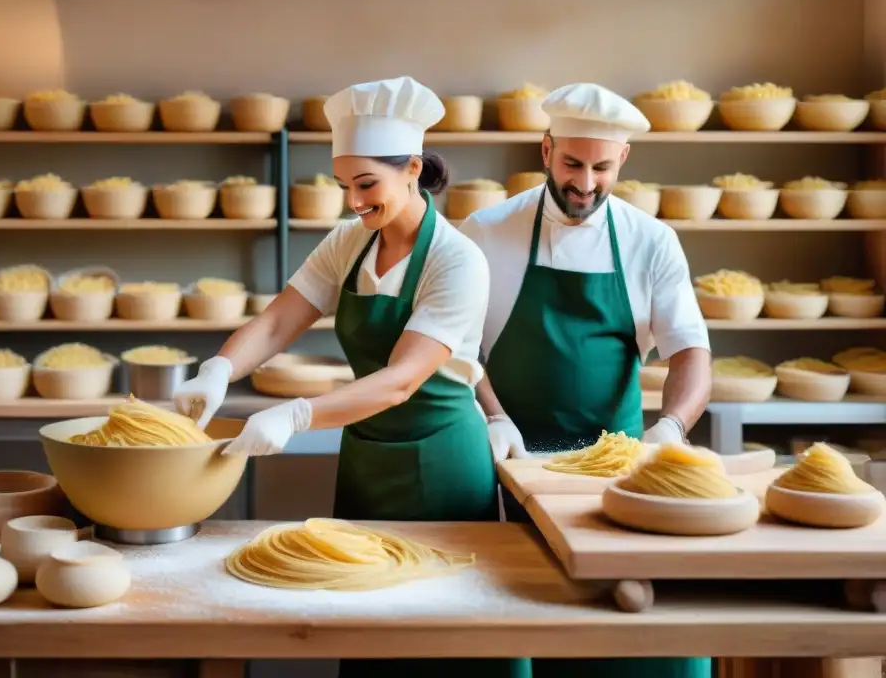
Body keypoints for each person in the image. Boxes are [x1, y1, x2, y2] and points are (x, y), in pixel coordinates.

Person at [174, 75, 530, 678]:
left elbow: (401, 380)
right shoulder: (350, 242)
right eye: (344, 186)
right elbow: (279, 321)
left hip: (440, 464)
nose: (353, 201)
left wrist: (297, 414)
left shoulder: (455, 259)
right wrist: (219, 368)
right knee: (369, 634)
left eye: (367, 185)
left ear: (413, 167)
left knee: (443, 640)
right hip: (367, 458)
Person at [459, 82, 712, 678]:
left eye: (602, 167)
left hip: (618, 485)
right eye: (572, 163)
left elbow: (692, 353)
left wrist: (670, 429)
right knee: (522, 634)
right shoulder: (486, 231)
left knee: (634, 649)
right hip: (509, 478)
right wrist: (493, 414)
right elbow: (455, 349)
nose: (586, 182)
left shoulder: (652, 242)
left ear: (623, 159)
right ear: (544, 151)